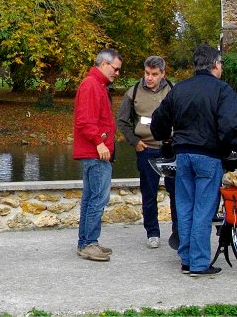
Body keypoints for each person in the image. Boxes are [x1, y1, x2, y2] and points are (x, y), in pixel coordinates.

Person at [150, 44, 237, 276]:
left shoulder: (179, 89)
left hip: (183, 156)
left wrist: (166, 136)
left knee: (185, 208)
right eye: (221, 64)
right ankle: (198, 263)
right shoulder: (222, 90)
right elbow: (229, 127)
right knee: (203, 211)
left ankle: (187, 260)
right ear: (216, 64)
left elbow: (158, 121)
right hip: (208, 156)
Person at [116, 55, 176, 249]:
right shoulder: (133, 92)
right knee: (148, 193)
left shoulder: (174, 90)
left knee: (176, 192)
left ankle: (178, 231)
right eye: (147, 73)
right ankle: (152, 232)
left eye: (154, 74)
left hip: (170, 149)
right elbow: (122, 121)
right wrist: (134, 142)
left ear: (163, 74)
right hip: (146, 149)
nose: (149, 78)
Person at [72, 48, 121, 262]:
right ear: (104, 64)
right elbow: (85, 120)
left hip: (94, 152)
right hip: (95, 153)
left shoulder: (97, 85)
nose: (117, 73)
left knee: (91, 197)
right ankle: (89, 243)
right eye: (115, 69)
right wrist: (99, 143)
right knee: (98, 198)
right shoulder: (91, 85)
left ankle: (86, 242)